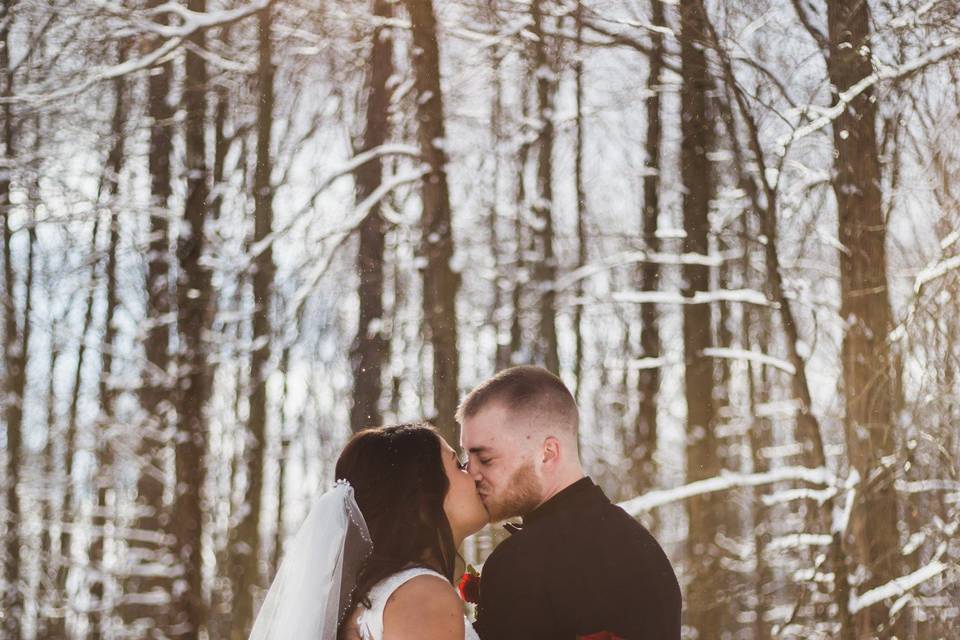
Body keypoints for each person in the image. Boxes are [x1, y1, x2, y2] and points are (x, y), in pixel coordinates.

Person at [459, 365, 682, 639]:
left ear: (547, 452)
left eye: (486, 459)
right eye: (468, 459)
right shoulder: (644, 547)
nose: (471, 473)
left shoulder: (520, 563)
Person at [249, 423, 487, 640]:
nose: (473, 473)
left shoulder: (377, 595)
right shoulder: (423, 595)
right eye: (458, 465)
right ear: (422, 499)